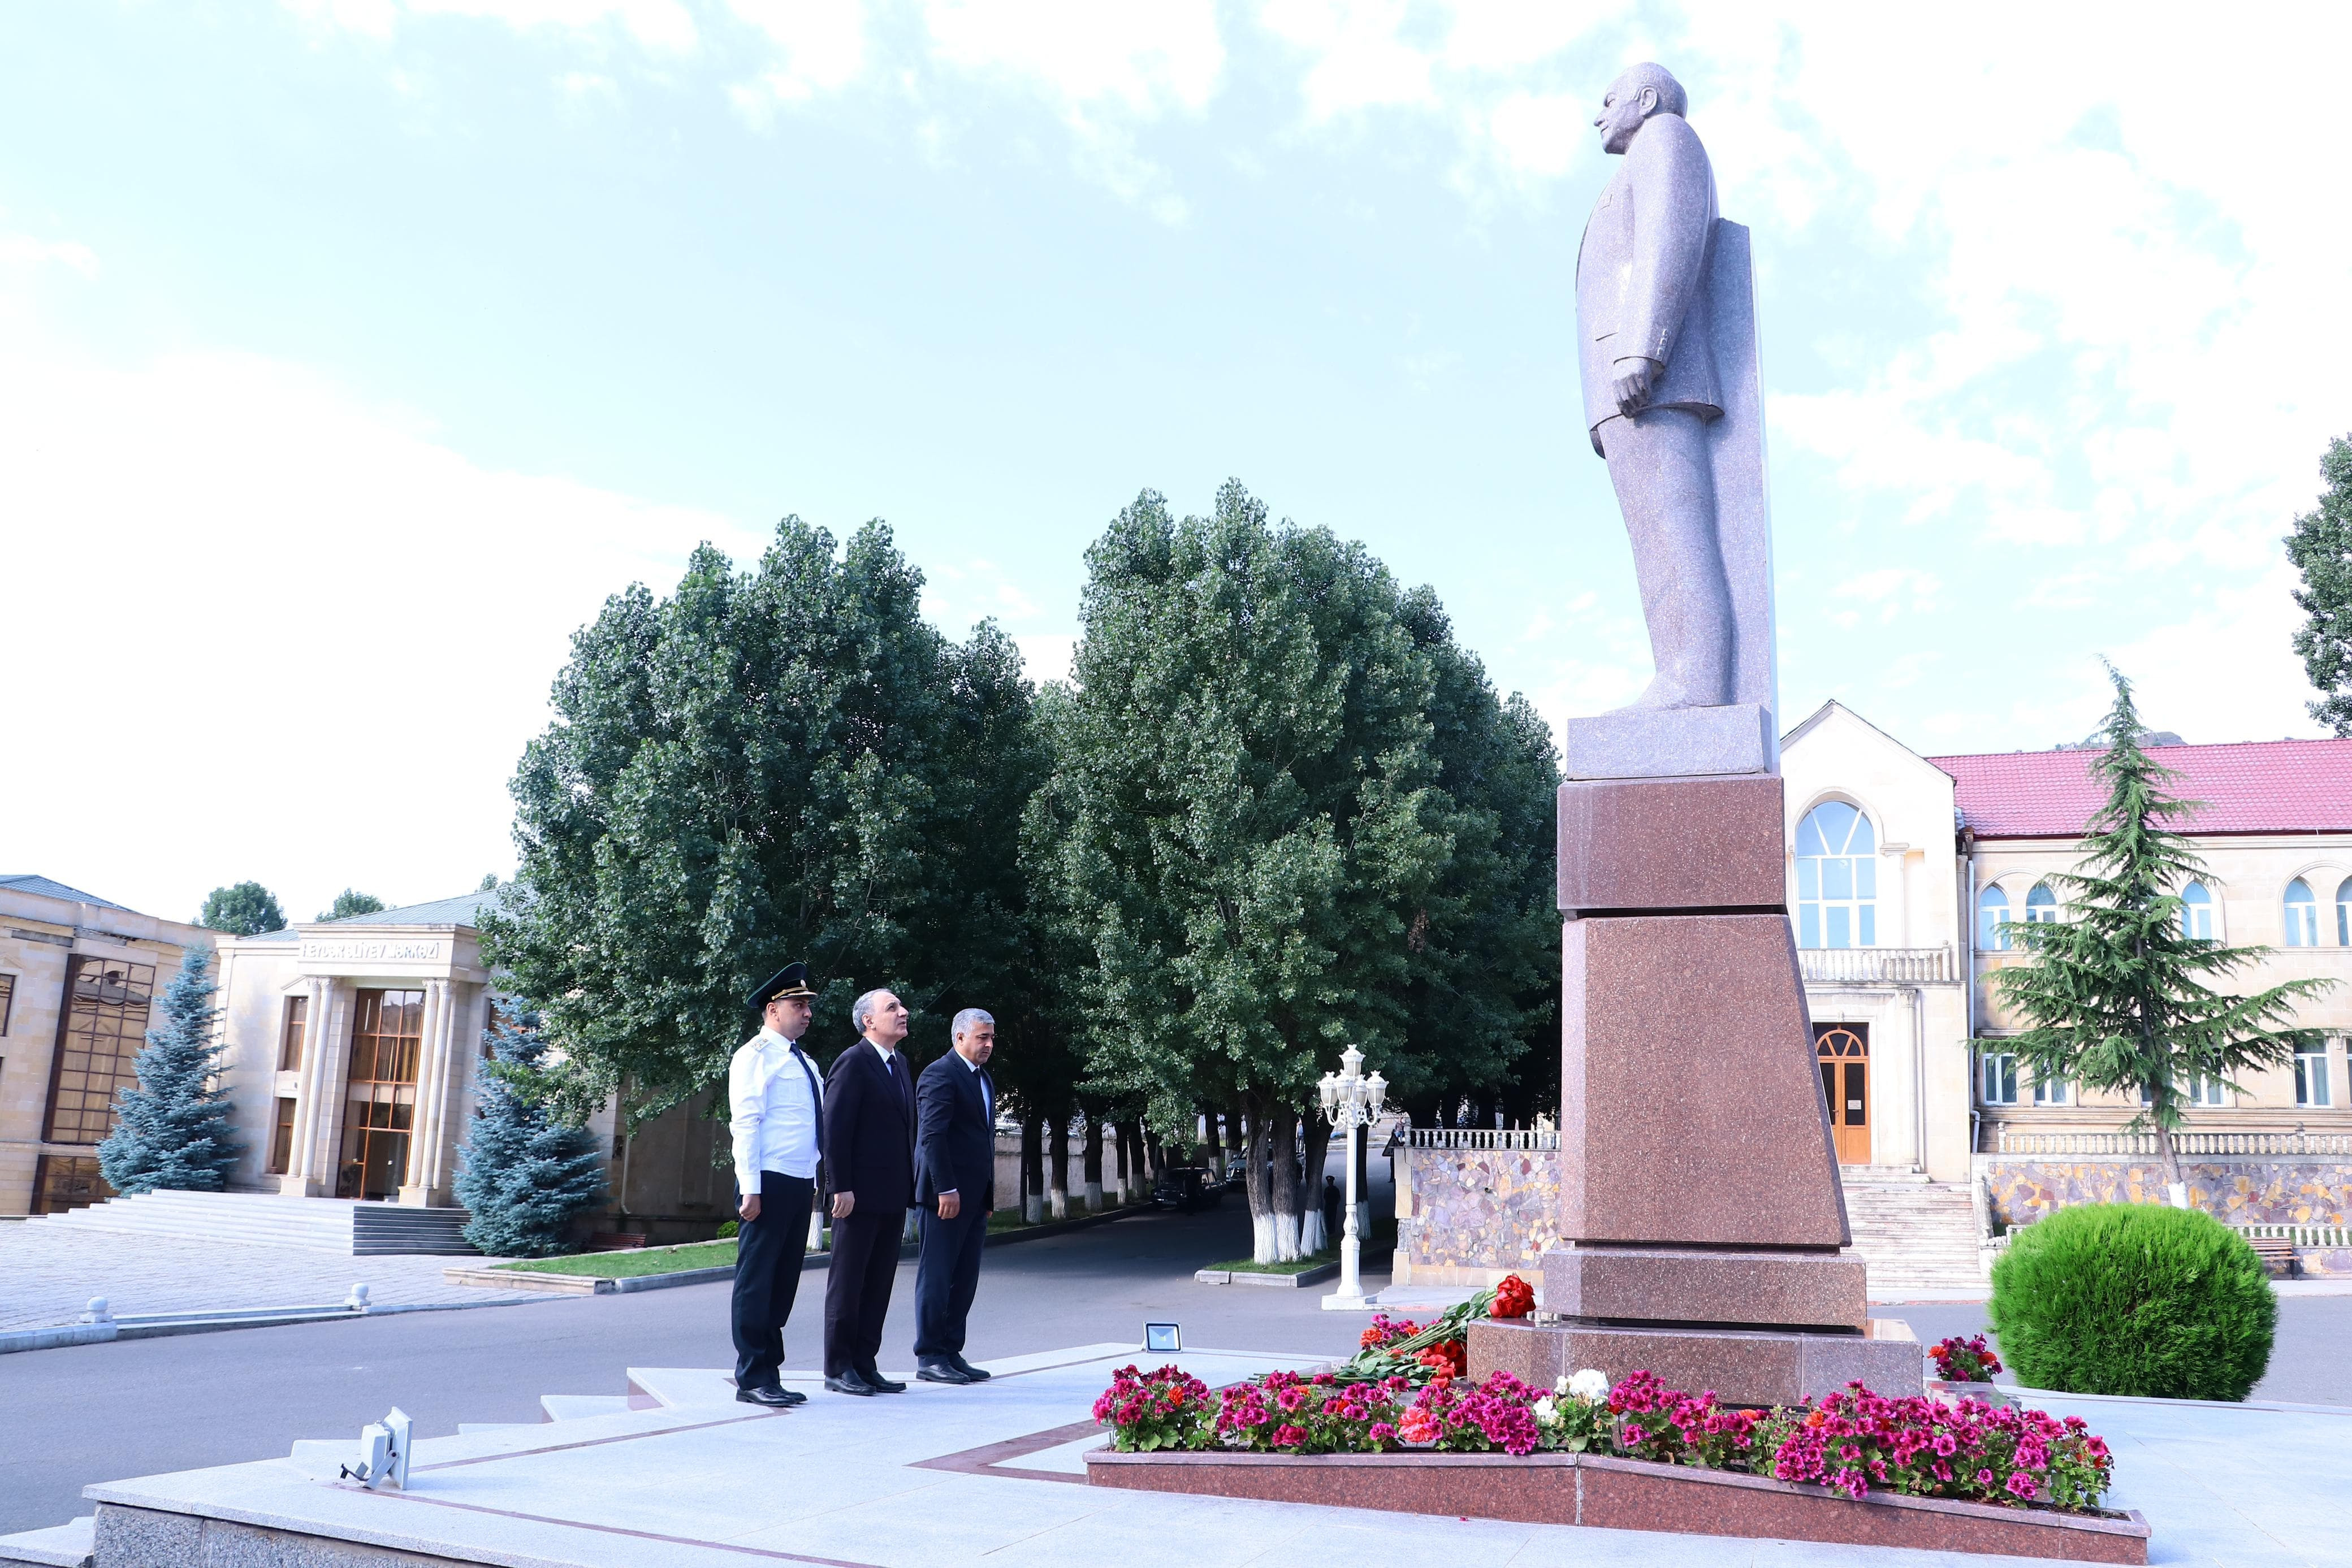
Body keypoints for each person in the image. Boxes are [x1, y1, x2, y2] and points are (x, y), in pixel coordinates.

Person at [727, 962, 824, 1407]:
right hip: (766, 1181)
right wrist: (750, 1187)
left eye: (808, 1006)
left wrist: (817, 1179)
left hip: (799, 1182)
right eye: (798, 1005)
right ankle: (752, 1376)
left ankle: (772, 1370)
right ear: (773, 1009)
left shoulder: (805, 1062)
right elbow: (746, 1123)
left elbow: (812, 1127)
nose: (806, 1013)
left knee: (783, 1281)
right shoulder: (754, 1057)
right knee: (757, 1280)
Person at [821, 987, 916, 1396]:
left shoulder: (900, 1064)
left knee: (878, 1283)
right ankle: (839, 1367)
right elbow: (835, 1129)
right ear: (868, 1022)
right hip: (857, 1196)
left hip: (892, 1194)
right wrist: (840, 1186)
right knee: (849, 1282)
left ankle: (865, 1363)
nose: (903, 1012)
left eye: (901, 1006)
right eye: (891, 1008)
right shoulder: (853, 1062)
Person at [911, 1007, 998, 1385]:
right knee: (938, 1276)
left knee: (964, 1278)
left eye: (992, 1038)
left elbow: (983, 1142)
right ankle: (930, 1355)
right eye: (982, 1037)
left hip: (974, 1198)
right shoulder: (940, 1074)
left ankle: (951, 1351)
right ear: (960, 1037)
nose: (989, 1045)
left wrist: (987, 1195)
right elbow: (932, 1137)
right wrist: (945, 1187)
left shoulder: (984, 1079)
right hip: (945, 1197)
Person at [1321, 1173, 1343, 1248]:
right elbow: (1325, 1197)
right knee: (1328, 1219)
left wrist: (1336, 1204)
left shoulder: (1335, 1189)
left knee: (1333, 1219)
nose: (1330, 1183)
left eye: (1330, 1182)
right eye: (1329, 1182)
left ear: (1332, 1182)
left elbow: (1338, 1198)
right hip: (1328, 1206)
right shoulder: (1327, 1190)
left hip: (1333, 1206)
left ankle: (1332, 1231)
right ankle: (1329, 1231)